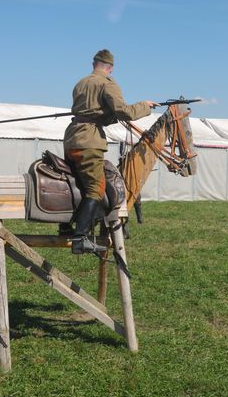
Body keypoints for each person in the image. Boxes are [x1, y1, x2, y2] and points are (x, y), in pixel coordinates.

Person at [64, 48, 158, 254]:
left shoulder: (81, 83)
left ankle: (65, 226)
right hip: (89, 141)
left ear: (93, 64)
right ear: (110, 68)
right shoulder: (107, 83)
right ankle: (80, 238)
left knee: (74, 182)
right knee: (95, 190)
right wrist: (146, 105)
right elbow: (124, 112)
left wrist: (107, 117)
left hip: (71, 137)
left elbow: (93, 112)